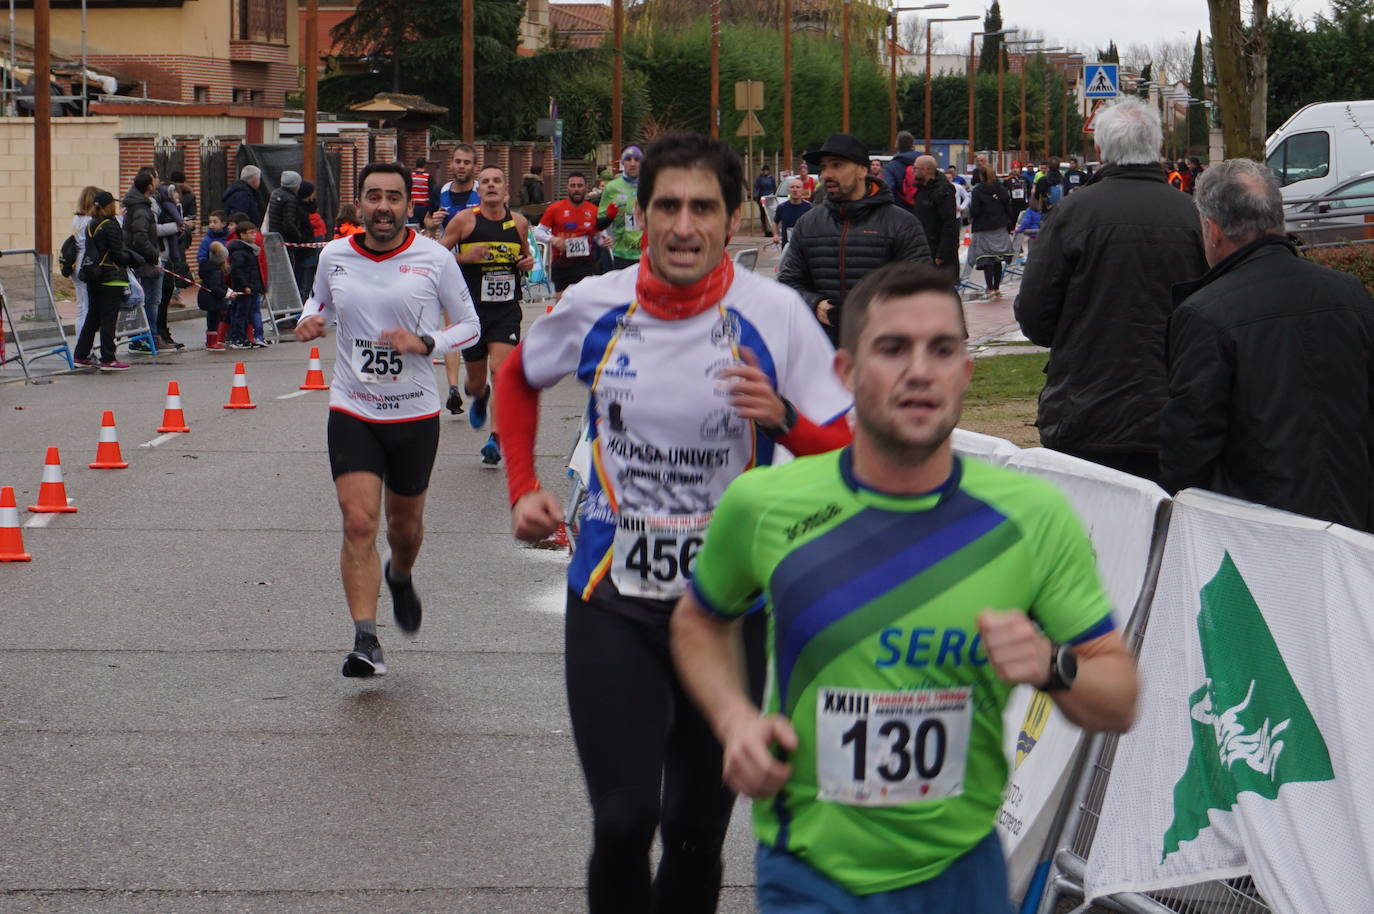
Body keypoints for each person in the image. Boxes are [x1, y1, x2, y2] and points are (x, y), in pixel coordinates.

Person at [670, 260, 1138, 913]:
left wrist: (1052, 666)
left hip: (960, 874)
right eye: (892, 348)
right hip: (811, 872)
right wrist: (734, 719)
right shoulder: (764, 505)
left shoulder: (1032, 517)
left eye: (942, 350)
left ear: (964, 374)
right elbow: (698, 620)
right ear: (846, 374)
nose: (920, 370)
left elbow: (1119, 697)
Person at [493, 131, 854, 914]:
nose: (684, 226)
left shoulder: (776, 315)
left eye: (703, 208)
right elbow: (517, 378)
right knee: (625, 818)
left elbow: (852, 446)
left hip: (730, 609)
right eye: (668, 207)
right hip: (613, 595)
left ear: (733, 221)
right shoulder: (597, 303)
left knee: (695, 831)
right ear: (642, 215)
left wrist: (784, 416)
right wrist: (523, 487)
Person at [294, 162, 480, 678]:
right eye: (373, 197)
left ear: (407, 205)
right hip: (353, 407)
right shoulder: (334, 255)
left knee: (404, 526)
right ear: (358, 205)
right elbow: (321, 304)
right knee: (358, 522)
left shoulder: (434, 258)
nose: (383, 206)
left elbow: (469, 325)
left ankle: (400, 573)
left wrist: (427, 343)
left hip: (415, 412)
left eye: (393, 198)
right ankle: (365, 639)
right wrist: (310, 319)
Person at [1160, 159, 1374, 532]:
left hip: (1259, 533)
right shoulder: (1349, 294)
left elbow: (1189, 448)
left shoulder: (1204, 315)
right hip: (1353, 519)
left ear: (1211, 231)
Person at [1014, 97, 1207, 484]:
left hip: (1085, 411)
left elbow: (1035, 316)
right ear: (1157, 146)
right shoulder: (1193, 216)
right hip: (1173, 413)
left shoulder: (1072, 213)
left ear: (1099, 150)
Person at [777, 132, 933, 346]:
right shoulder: (809, 223)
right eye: (823, 167)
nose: (826, 175)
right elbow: (788, 283)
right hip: (822, 352)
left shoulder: (901, 223)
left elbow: (922, 290)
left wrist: (869, 314)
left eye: (837, 165)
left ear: (862, 170)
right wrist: (817, 305)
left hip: (883, 353)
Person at [440, 164, 535, 464]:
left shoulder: (519, 222)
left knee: (502, 372)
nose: (491, 186)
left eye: (497, 181)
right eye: (486, 182)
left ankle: (496, 439)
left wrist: (526, 263)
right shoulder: (464, 221)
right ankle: (479, 396)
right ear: (478, 190)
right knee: (477, 381)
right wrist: (465, 257)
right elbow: (438, 258)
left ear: (506, 189)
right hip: (472, 311)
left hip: (506, 310)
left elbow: (525, 256)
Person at [71, 190, 133, 372]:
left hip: (93, 275)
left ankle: (81, 355)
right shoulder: (111, 225)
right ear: (109, 206)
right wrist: (132, 258)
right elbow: (116, 253)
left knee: (93, 316)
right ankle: (108, 358)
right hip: (111, 277)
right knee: (108, 319)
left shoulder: (90, 224)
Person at [535, 171, 612, 301]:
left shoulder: (593, 210)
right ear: (567, 187)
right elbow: (538, 232)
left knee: (584, 303)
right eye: (573, 185)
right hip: (562, 264)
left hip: (586, 264)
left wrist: (605, 241)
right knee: (561, 304)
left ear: (586, 188)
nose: (576, 189)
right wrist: (553, 239)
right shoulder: (555, 209)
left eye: (580, 185)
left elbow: (600, 237)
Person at [121, 171, 163, 352]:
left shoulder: (139, 205)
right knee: (150, 302)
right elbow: (140, 238)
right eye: (156, 180)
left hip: (142, 260)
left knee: (148, 302)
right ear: (149, 186)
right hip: (145, 263)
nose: (158, 183)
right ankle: (146, 339)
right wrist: (153, 256)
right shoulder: (141, 209)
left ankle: (145, 338)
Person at [910, 155, 960, 285]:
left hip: (938, 251)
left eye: (915, 168)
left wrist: (941, 254)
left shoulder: (943, 191)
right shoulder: (921, 190)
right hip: (923, 249)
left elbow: (949, 224)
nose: (912, 171)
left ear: (926, 170)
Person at [968, 163, 1014, 297]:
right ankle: (997, 287)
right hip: (1000, 227)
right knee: (998, 259)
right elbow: (1008, 206)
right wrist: (1009, 224)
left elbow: (975, 210)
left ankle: (989, 288)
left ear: (981, 176)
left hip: (983, 228)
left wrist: (973, 218)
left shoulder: (977, 190)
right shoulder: (1001, 189)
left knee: (987, 258)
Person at [599, 145, 645, 270]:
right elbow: (599, 224)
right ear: (622, 162)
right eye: (628, 159)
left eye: (637, 159)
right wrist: (609, 216)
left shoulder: (652, 185)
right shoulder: (611, 188)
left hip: (648, 255)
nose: (632, 163)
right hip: (622, 254)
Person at [424, 143, 480, 235]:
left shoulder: (483, 192)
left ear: (475, 167)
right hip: (447, 248)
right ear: (451, 165)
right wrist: (433, 223)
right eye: (458, 161)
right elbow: (427, 220)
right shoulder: (440, 191)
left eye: (466, 162)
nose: (461, 166)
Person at [227, 221, 264, 350]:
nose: (254, 235)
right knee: (241, 314)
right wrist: (244, 286)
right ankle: (237, 338)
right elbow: (237, 271)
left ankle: (256, 337)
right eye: (251, 233)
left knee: (253, 312)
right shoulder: (239, 252)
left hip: (253, 287)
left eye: (255, 232)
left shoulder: (251, 250)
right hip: (244, 289)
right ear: (242, 235)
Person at [70, 185, 98, 338]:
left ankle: (81, 344)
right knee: (87, 308)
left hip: (76, 263)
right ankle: (85, 346)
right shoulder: (91, 221)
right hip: (86, 264)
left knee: (81, 308)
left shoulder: (77, 219)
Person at [197, 241, 233, 351]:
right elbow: (216, 288)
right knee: (213, 321)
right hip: (212, 300)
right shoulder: (216, 272)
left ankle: (211, 341)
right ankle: (212, 343)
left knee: (212, 319)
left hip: (209, 299)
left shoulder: (209, 270)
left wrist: (228, 290)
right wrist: (227, 294)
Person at [881, 131, 921, 216]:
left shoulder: (891, 166)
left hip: (900, 211)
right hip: (923, 211)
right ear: (913, 145)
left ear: (897, 145)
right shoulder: (925, 162)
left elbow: (887, 189)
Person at [771, 177, 811, 248]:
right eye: (792, 187)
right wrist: (775, 235)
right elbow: (775, 223)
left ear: (802, 190)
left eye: (798, 187)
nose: (795, 190)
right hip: (787, 247)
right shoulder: (781, 207)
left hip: (805, 248)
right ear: (788, 190)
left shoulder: (809, 207)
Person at [753, 164, 777, 237]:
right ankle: (764, 226)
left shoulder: (771, 178)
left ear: (768, 171)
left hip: (770, 198)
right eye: (764, 171)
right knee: (763, 212)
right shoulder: (759, 179)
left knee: (770, 213)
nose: (765, 172)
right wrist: (756, 196)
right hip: (762, 197)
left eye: (766, 170)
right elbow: (757, 188)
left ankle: (771, 226)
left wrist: (775, 196)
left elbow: (774, 187)